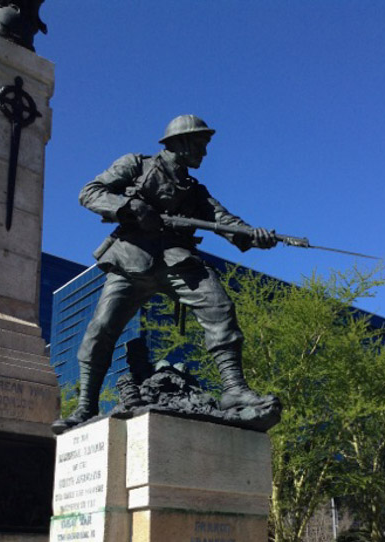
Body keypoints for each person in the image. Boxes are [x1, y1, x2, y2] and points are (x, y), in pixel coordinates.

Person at [52, 115, 277, 434]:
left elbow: (224, 221)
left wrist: (254, 235)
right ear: (180, 142)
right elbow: (90, 192)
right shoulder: (136, 165)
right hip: (132, 259)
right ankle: (85, 407)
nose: (204, 152)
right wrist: (129, 207)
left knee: (220, 307)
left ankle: (234, 389)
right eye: (200, 144)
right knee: (101, 329)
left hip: (177, 261)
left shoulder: (195, 190)